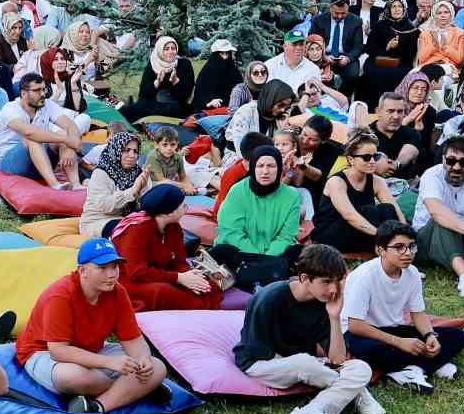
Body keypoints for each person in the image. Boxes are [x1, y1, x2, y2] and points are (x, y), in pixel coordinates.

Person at [233, 244, 383, 414]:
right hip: (261, 363)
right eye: (326, 282)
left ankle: (313, 412)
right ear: (304, 278)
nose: (333, 290)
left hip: (306, 364)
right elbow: (257, 350)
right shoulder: (270, 298)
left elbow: (338, 359)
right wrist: (317, 367)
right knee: (304, 362)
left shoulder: (324, 302)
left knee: (361, 368)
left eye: (337, 282)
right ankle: (357, 392)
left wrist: (334, 317)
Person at [14, 237, 170, 414]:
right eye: (102, 268)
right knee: (76, 377)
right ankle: (134, 391)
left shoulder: (118, 292)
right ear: (83, 271)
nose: (111, 274)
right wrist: (110, 363)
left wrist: (143, 360)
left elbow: (133, 339)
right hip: (44, 352)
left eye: (115, 267)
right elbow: (58, 351)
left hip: (92, 350)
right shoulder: (60, 295)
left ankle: (98, 406)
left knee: (157, 367)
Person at [341, 221, 464, 391]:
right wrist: (399, 342)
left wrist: (429, 335)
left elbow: (418, 313)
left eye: (411, 246)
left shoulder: (412, 273)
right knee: (374, 350)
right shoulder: (365, 276)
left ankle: (414, 369)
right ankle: (429, 364)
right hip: (362, 334)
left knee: (457, 336)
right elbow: (355, 326)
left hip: (393, 328)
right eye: (399, 247)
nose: (407, 253)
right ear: (381, 250)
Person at [109, 183, 226, 311]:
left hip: (162, 273)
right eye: (183, 206)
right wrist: (178, 278)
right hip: (131, 280)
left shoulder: (174, 227)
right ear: (168, 213)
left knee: (207, 285)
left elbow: (179, 261)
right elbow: (137, 272)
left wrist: (189, 275)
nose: (186, 208)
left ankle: (198, 303)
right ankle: (201, 309)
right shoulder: (135, 231)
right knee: (162, 291)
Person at [215, 144, 304, 290]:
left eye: (271, 166)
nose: (265, 171)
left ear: (279, 168)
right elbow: (231, 232)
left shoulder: (291, 196)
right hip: (239, 252)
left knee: (300, 253)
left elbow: (287, 236)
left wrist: (267, 257)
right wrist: (258, 257)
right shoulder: (238, 191)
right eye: (260, 166)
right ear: (253, 168)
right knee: (223, 250)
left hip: (274, 255)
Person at [310, 130, 398, 254]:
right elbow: (350, 216)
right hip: (330, 234)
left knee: (387, 208)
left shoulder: (377, 181)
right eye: (366, 157)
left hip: (361, 230)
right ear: (351, 159)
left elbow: (395, 209)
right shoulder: (337, 182)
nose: (372, 161)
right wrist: (382, 236)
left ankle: (392, 248)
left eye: (376, 156)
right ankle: (385, 248)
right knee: (369, 211)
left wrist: (404, 234)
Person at [414, 134, 464, 295]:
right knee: (442, 221)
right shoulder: (432, 175)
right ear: (443, 160)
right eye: (451, 161)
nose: (456, 167)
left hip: (460, 237)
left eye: (463, 162)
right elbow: (436, 210)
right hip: (426, 240)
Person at [79, 131, 148, 238]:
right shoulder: (101, 173)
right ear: (115, 150)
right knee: (130, 229)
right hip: (98, 221)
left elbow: (143, 204)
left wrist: (145, 189)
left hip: (125, 218)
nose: (132, 155)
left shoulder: (137, 172)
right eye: (126, 150)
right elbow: (105, 206)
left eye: (135, 151)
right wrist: (133, 191)